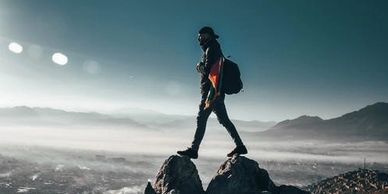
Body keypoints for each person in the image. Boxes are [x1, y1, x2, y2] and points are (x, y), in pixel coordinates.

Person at [177, 26, 248, 159]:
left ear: (209, 36)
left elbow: (209, 71)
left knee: (201, 118)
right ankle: (240, 146)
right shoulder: (214, 48)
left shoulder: (211, 49)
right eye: (199, 37)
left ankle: (194, 149)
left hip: (211, 92)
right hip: (217, 91)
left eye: (202, 36)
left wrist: (199, 66)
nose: (200, 39)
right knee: (224, 120)